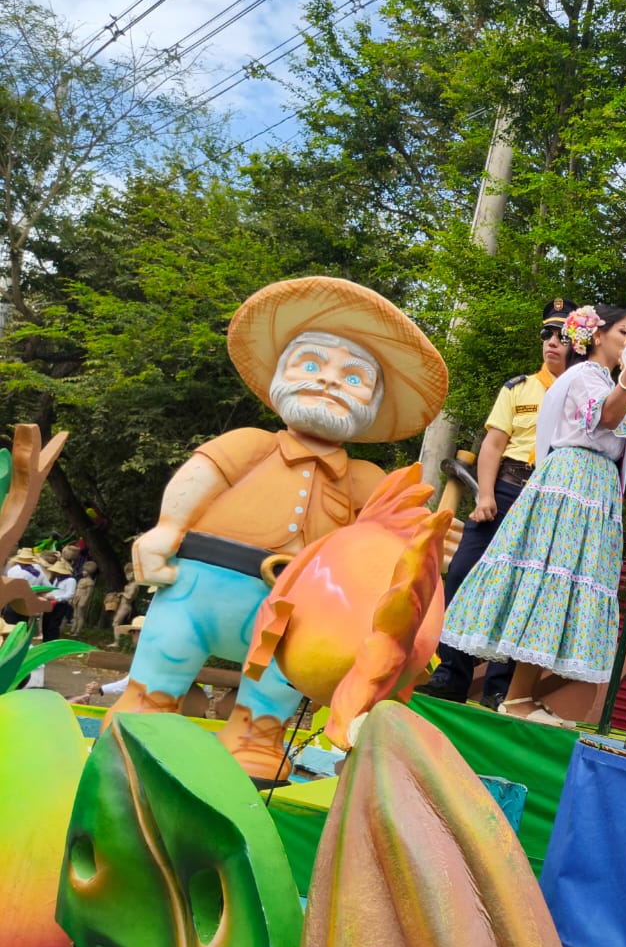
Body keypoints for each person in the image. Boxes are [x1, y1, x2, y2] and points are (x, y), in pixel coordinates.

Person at [103, 275, 450, 778]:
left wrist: (423, 546)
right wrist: (168, 528)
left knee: (277, 684)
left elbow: (386, 538)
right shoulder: (250, 443)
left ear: (373, 403)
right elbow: (198, 479)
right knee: (168, 653)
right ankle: (143, 720)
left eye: (354, 377)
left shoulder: (365, 479)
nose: (329, 381)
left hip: (298, 612)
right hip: (202, 586)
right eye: (311, 365)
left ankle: (258, 739)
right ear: (280, 375)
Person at [439, 305, 626, 688]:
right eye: (623, 332)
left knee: (557, 580)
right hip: (561, 484)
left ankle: (512, 692)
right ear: (596, 335)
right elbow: (605, 419)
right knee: (547, 577)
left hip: (588, 486)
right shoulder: (581, 377)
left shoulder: (602, 381)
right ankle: (487, 686)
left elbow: (615, 449)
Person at [420, 297, 577, 708]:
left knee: (522, 591)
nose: (552, 342)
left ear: (578, 343)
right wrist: (485, 494)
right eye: (547, 334)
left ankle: (499, 689)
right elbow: (493, 444)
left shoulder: (584, 395)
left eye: (562, 336)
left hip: (547, 500)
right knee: (463, 574)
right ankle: (450, 674)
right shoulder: (517, 388)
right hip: (505, 490)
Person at [39, 556, 75, 641]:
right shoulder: (57, 579)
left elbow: (70, 594)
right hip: (50, 603)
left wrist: (56, 598)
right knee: (45, 623)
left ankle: (52, 642)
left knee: (53, 625)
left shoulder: (71, 580)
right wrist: (47, 596)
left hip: (60, 605)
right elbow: (54, 590)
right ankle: (45, 642)